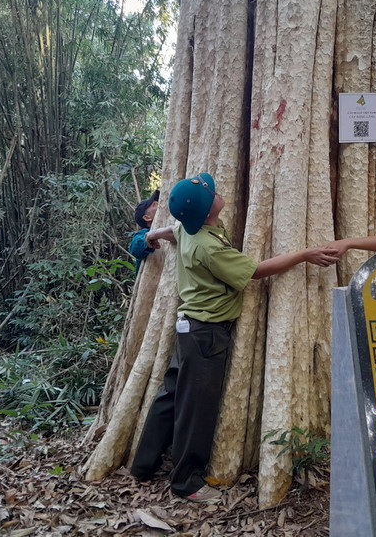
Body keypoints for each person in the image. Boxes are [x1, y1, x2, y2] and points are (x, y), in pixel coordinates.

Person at [131, 172, 339, 503]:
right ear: (206, 210)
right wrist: (305, 255)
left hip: (189, 327)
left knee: (172, 395)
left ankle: (142, 464)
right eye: (211, 193)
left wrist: (154, 233)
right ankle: (186, 481)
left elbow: (174, 230)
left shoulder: (190, 227)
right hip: (207, 333)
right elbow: (255, 271)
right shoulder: (209, 246)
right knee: (196, 409)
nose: (216, 192)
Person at [128, 189, 160, 273]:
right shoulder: (143, 233)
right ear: (147, 217)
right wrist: (147, 240)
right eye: (154, 204)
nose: (159, 204)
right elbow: (135, 248)